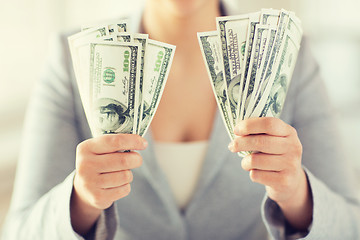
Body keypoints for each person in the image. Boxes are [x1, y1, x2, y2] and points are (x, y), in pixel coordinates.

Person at [2, 0, 360, 239]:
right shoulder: (72, 59)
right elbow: (20, 231)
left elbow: (349, 226)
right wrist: (80, 200)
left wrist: (296, 192)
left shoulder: (290, 57)